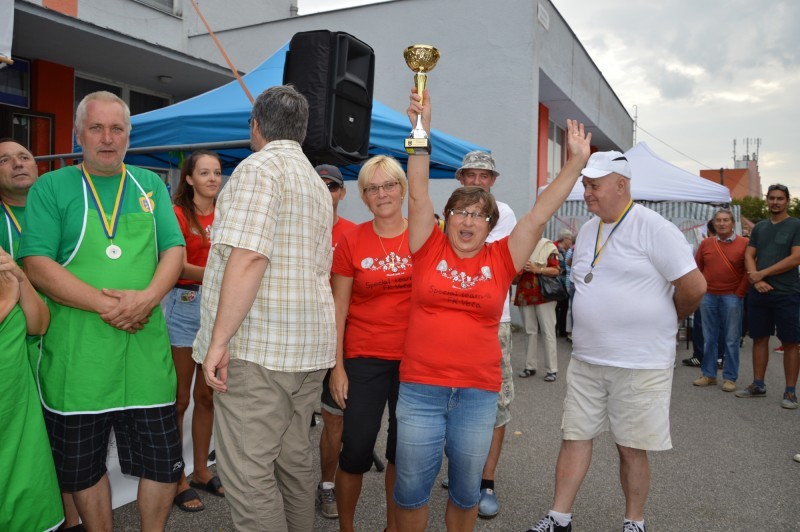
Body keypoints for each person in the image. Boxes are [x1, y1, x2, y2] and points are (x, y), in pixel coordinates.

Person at [397, 87, 591, 532]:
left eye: (478, 215)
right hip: (421, 390)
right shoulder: (426, 248)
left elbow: (540, 214)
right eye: (460, 213)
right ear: (446, 220)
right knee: (410, 494)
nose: (468, 221)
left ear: (490, 224)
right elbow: (418, 191)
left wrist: (576, 163)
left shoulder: (501, 258)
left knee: (465, 494)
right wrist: (419, 128)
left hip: (476, 394)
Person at [19, 91, 186, 531]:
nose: (107, 138)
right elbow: (36, 263)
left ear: (130, 135)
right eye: (97, 128)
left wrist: (147, 298)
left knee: (161, 464)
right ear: (79, 134)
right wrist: (108, 306)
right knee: (82, 469)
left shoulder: (150, 185)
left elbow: (174, 249)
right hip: (78, 365)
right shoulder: (51, 187)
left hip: (145, 362)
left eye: (117, 128)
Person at [527, 151, 706, 532]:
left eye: (595, 185)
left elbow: (694, 287)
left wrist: (665, 319)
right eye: (586, 185)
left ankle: (634, 522)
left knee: (630, 446)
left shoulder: (655, 228)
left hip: (640, 362)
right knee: (574, 436)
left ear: (621, 185)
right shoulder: (590, 228)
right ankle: (559, 517)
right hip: (588, 357)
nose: (587, 193)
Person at [194, 85, 336, 531]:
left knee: (249, 474)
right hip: (307, 348)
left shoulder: (258, 169)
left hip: (261, 349)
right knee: (292, 462)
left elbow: (250, 257)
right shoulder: (314, 179)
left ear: (256, 127)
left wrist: (218, 342)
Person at [0, 139, 84, 531]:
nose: (17, 164)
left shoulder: (64, 208)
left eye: (24, 156)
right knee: (34, 443)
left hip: (67, 335)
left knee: (65, 440)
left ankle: (64, 518)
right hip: (18, 349)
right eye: (4, 160)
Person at [329, 155, 411, 532]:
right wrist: (337, 367)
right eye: (372, 188)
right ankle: (347, 527)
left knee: (402, 452)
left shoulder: (425, 235)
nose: (382, 194)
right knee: (356, 449)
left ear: (402, 188)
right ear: (362, 196)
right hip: (363, 358)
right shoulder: (351, 239)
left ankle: (393, 527)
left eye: (389, 184)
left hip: (414, 362)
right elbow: (339, 309)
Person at [452, 149, 518, 518]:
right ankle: (465, 469)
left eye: (485, 176)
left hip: (495, 321)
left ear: (493, 182)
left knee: (496, 403)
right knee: (454, 397)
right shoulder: (451, 211)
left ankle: (486, 481)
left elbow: (477, 252)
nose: (478, 182)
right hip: (452, 316)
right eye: (471, 175)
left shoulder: (503, 212)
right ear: (461, 178)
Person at [162, 150, 224, 512]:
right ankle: (175, 476)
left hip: (218, 307)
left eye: (217, 172)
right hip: (184, 303)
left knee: (207, 396)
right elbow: (176, 263)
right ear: (189, 179)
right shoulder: (176, 214)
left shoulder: (226, 212)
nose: (213, 178)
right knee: (179, 399)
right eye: (205, 173)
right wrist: (219, 272)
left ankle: (200, 469)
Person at [315, 162, 357, 520]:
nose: (327, 191)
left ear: (342, 193)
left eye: (333, 186)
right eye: (320, 184)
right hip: (299, 333)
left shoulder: (355, 233)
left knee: (334, 419)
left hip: (340, 337)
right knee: (292, 419)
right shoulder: (293, 228)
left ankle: (326, 484)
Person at [736, 183, 800, 409]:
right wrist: (757, 279)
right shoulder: (761, 227)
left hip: (787, 293)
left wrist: (763, 273)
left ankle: (790, 392)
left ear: (787, 201)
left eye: (780, 198)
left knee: (791, 342)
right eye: (771, 198)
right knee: (759, 338)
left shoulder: (796, 225)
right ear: (767, 200)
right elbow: (749, 254)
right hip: (759, 293)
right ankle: (758, 384)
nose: (775, 202)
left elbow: (795, 258)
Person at [692, 209, 748, 392]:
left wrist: (739, 293)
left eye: (726, 220)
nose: (722, 223)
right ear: (714, 224)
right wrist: (700, 290)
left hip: (732, 296)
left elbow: (749, 270)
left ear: (733, 223)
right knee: (709, 338)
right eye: (719, 221)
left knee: (731, 339)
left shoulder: (744, 243)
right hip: (708, 296)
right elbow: (697, 268)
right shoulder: (706, 244)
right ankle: (709, 375)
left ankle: (730, 378)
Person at [515, 237, 562, 382]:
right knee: (530, 332)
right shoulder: (521, 247)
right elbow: (513, 276)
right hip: (525, 294)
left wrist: (538, 269)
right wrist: (519, 270)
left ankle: (551, 370)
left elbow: (556, 270)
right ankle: (530, 366)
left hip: (544, 295)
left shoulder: (547, 245)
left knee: (548, 332)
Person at [555, 230, 574, 337]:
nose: (571, 241)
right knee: (558, 307)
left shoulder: (566, 251)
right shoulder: (556, 249)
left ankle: (561, 330)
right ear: (565, 239)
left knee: (564, 307)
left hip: (563, 282)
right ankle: (557, 330)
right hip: (557, 283)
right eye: (570, 239)